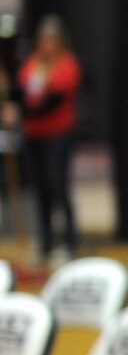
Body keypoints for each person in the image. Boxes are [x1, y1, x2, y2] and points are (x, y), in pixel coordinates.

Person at [4, 16, 82, 262]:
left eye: (52, 41)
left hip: (57, 135)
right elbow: (20, 92)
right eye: (44, 41)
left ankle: (70, 242)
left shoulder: (67, 65)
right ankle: (46, 243)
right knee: (41, 192)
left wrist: (21, 113)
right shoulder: (32, 63)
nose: (47, 45)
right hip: (33, 135)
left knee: (59, 187)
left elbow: (53, 101)